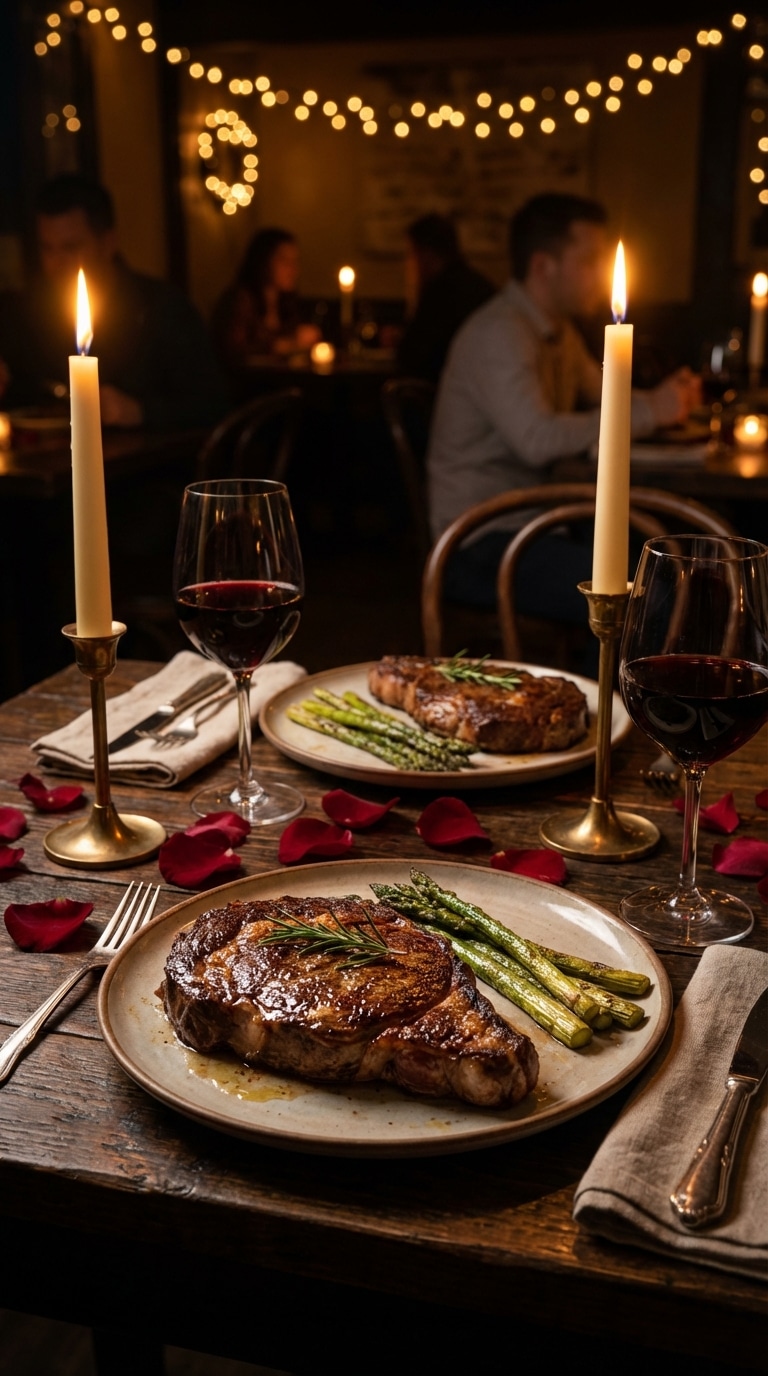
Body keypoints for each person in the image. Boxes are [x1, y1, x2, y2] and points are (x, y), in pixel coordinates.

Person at [426, 192, 699, 619]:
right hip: (479, 540)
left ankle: (607, 658)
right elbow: (537, 440)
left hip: (538, 521)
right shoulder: (499, 332)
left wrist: (668, 399)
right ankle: (606, 663)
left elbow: (607, 394)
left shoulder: (559, 331)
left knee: (668, 568)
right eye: (589, 261)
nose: (599, 275)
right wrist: (651, 412)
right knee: (649, 592)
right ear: (542, 267)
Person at [0, 173, 227, 431]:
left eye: (71, 248)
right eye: (47, 249)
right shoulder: (26, 310)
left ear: (108, 243)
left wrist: (140, 412)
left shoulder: (163, 308)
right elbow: (27, 389)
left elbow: (213, 406)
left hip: (146, 455)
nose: (56, 262)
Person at [395, 213, 496, 384]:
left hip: (449, 390)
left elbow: (411, 357)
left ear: (425, 254)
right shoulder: (479, 285)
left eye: (411, 254)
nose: (409, 264)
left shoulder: (439, 294)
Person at [210, 227, 320, 367]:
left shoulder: (285, 303)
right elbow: (232, 351)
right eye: (284, 260)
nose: (293, 269)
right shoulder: (239, 299)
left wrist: (301, 338)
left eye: (295, 261)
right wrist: (282, 345)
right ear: (262, 261)